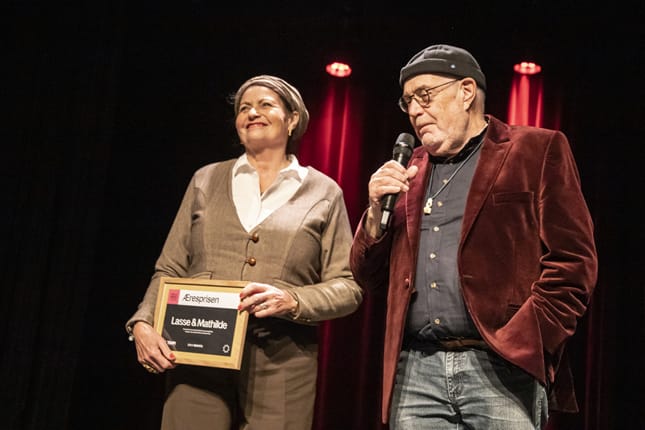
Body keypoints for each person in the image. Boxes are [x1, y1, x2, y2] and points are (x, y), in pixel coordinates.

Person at [350, 44, 598, 429]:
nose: (414, 110)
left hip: (502, 368)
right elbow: (369, 277)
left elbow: (573, 262)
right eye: (407, 101)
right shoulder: (408, 170)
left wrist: (528, 339)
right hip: (416, 371)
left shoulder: (535, 149)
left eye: (424, 95)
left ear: (466, 91)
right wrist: (373, 215)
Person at [126, 74, 363, 430]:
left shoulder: (324, 192)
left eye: (265, 105)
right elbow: (170, 266)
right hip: (197, 346)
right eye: (244, 108)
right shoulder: (206, 180)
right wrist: (143, 322)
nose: (252, 113)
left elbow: (347, 286)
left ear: (292, 119)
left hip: (283, 356)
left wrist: (292, 300)